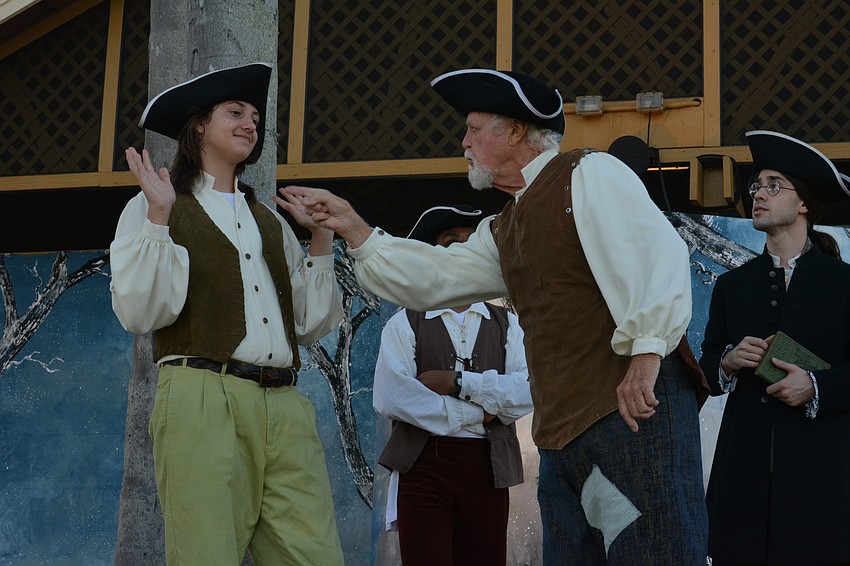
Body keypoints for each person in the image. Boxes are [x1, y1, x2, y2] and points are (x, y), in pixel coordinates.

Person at [276, 68, 709, 564]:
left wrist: (647, 355)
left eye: (475, 129)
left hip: (631, 414)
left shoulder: (587, 173)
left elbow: (655, 255)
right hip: (564, 437)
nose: (463, 142)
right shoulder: (506, 227)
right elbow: (437, 277)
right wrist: (353, 227)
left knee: (656, 554)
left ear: (516, 131)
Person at [109, 62, 344, 565]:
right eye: (234, 112)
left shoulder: (269, 220)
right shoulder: (157, 206)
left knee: (314, 556)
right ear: (198, 126)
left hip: (283, 403)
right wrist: (156, 217)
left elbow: (308, 324)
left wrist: (322, 237)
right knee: (206, 555)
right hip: (201, 397)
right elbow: (140, 311)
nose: (249, 124)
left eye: (255, 116)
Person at [699, 130, 850, 565]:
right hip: (742, 475)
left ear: (803, 203)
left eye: (772, 185)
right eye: (756, 186)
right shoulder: (732, 286)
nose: (758, 195)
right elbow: (706, 371)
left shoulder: (842, 284)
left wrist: (815, 386)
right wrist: (727, 361)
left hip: (819, 474)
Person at [373, 204, 533, 565]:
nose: (462, 248)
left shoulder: (510, 325)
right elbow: (392, 396)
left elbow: (527, 391)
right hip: (424, 465)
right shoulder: (405, 323)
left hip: (488, 467)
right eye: (449, 241)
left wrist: (457, 381)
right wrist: (481, 412)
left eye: (470, 240)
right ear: (431, 255)